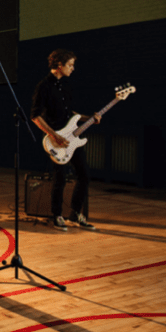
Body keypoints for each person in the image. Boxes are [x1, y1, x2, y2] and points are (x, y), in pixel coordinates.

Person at [30, 49, 99, 232]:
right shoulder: (44, 86)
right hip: (55, 140)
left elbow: (71, 114)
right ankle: (57, 215)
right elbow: (35, 116)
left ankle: (75, 214)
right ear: (59, 65)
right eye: (70, 65)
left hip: (72, 138)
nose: (73, 68)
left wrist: (89, 118)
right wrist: (55, 135)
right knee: (59, 178)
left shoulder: (67, 85)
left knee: (84, 175)